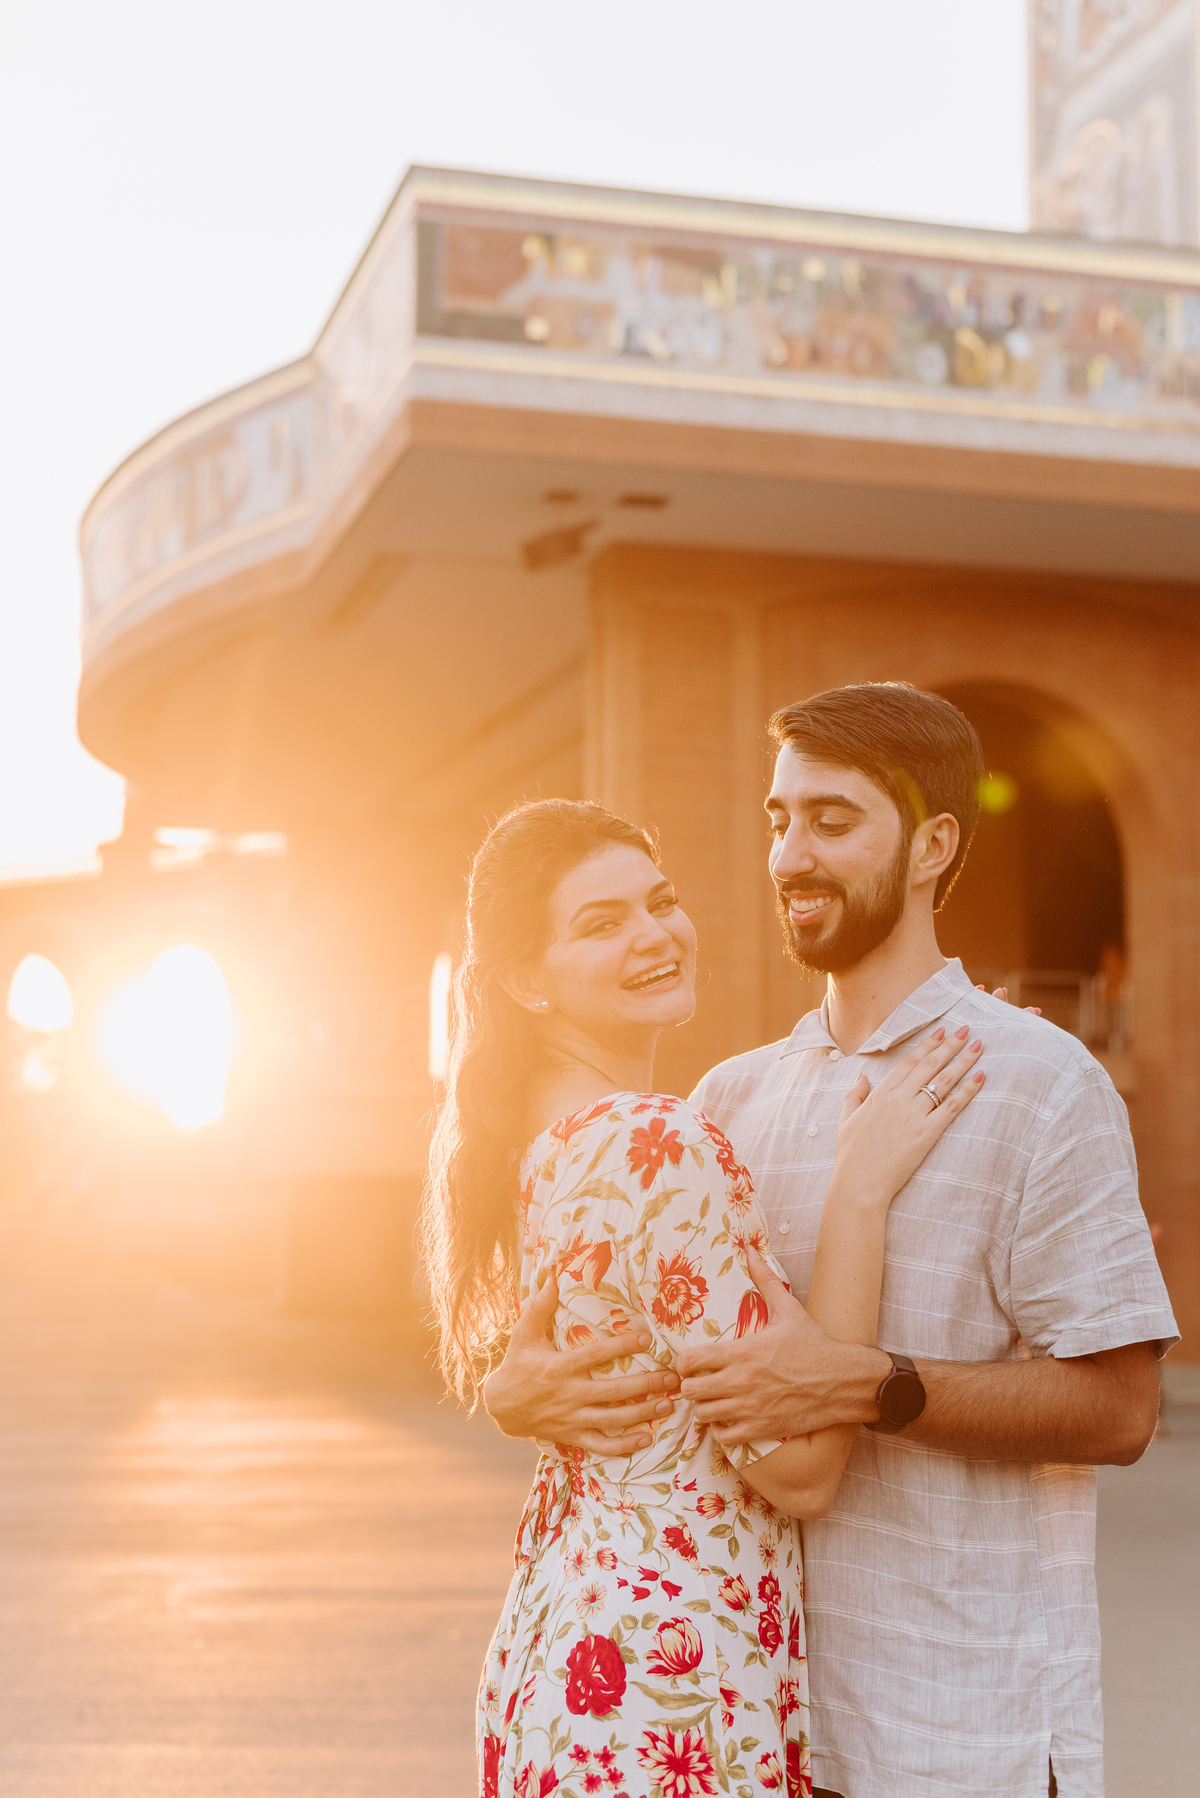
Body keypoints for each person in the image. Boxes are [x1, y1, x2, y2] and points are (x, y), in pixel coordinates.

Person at [485, 684, 1178, 1798]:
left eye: (834, 820)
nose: (792, 854)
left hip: (964, 1737)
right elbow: (661, 1379)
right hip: (766, 1726)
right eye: (777, 819)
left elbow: (1120, 1409)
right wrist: (513, 1392)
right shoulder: (729, 1100)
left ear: (931, 844)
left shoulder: (1043, 1084)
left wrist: (872, 1385)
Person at [422, 797, 986, 1798]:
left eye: (660, 900)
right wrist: (861, 1191)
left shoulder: (534, 1144)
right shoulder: (656, 1142)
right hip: (665, 1678)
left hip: (571, 1658)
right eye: (600, 924)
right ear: (525, 981)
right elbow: (805, 1468)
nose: (654, 935)